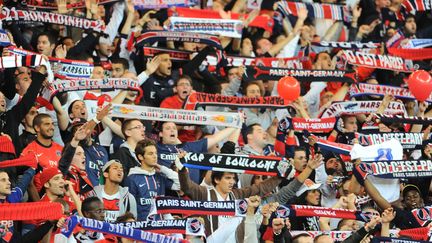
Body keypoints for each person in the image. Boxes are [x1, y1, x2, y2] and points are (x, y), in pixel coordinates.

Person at [125, 139, 180, 220]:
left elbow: (180, 185)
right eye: (150, 154)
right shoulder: (132, 178)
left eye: (155, 153)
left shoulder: (159, 176)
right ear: (140, 157)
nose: (155, 156)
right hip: (142, 227)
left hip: (160, 227)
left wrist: (162, 168)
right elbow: (130, 207)